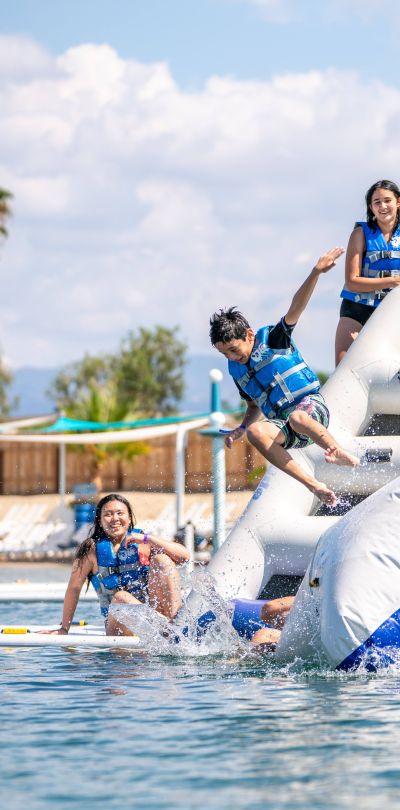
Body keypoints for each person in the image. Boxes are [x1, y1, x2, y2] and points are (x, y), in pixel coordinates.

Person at [210, 247, 359, 507]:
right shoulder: (237, 370)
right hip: (287, 426)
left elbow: (296, 306)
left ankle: (335, 449)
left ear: (249, 335)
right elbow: (253, 405)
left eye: (233, 350)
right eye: (225, 355)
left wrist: (316, 272)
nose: (232, 358)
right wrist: (241, 429)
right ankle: (314, 486)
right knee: (257, 433)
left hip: (312, 411)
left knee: (298, 416)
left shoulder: (274, 340)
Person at [42, 493, 191, 636]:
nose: (115, 519)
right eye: (108, 514)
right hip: (119, 624)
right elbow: (74, 589)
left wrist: (148, 538)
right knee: (121, 597)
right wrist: (64, 628)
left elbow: (185, 557)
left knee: (162, 560)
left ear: (129, 517)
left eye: (120, 513)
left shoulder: (142, 542)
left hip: (156, 617)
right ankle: (171, 630)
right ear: (100, 520)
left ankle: (177, 624)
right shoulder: (90, 549)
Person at [335, 179, 400, 366]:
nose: (383, 206)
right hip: (357, 309)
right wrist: (391, 281)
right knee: (344, 367)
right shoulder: (359, 234)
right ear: (371, 207)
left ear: (399, 202)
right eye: (377, 202)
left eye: (387, 200)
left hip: (394, 309)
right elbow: (352, 281)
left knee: (393, 367)